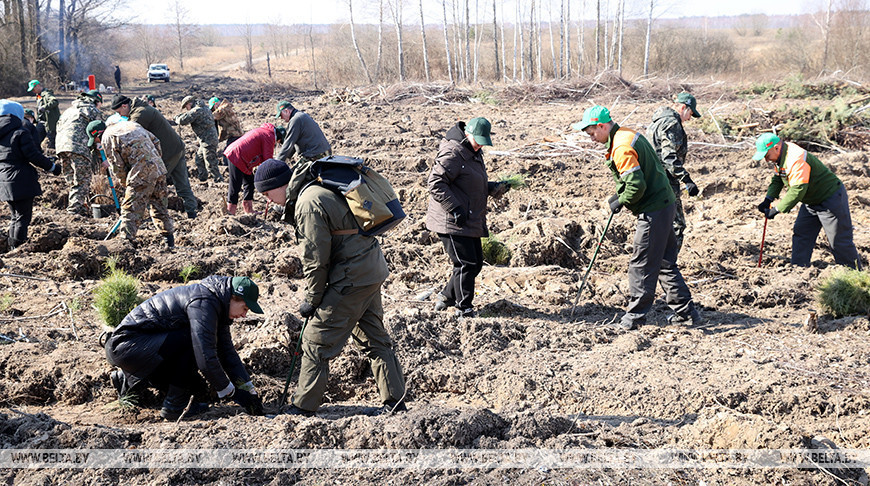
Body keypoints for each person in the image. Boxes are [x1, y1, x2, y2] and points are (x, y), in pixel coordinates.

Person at [253, 158, 406, 417]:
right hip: (369, 270)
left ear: (280, 185)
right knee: (375, 338)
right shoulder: (316, 189)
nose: (268, 200)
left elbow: (315, 259)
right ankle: (395, 402)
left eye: (267, 193)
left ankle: (303, 407)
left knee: (315, 342)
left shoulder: (308, 202)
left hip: (351, 277)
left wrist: (312, 299)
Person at [574, 105, 700, 330]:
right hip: (665, 203)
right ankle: (686, 313)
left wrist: (620, 200)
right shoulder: (627, 134)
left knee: (641, 264)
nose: (592, 138)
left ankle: (634, 318)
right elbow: (637, 179)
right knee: (664, 262)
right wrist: (619, 195)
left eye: (592, 133)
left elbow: (636, 185)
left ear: (602, 126)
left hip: (654, 210)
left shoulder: (621, 147)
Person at [104, 275, 265, 421]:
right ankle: (175, 406)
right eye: (244, 308)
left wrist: (248, 389)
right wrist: (232, 392)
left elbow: (227, 353)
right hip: (126, 346)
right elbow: (205, 355)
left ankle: (128, 381)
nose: (244, 315)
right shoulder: (204, 302)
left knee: (197, 385)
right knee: (193, 340)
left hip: (136, 349)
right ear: (232, 298)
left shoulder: (217, 307)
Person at [426, 117, 509, 318]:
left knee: (476, 263)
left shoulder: (474, 152)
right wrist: (454, 208)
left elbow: (470, 183)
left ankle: (446, 296)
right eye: (477, 139)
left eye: (483, 140)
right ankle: (464, 308)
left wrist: (494, 187)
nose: (480, 144)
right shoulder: (453, 152)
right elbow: (435, 182)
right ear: (467, 133)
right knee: (465, 264)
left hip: (468, 218)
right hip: (451, 220)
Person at [753, 133, 862, 269]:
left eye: (766, 155)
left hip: (830, 199)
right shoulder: (780, 156)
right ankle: (798, 270)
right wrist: (768, 198)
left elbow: (798, 189)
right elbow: (778, 178)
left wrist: (777, 210)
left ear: (776, 148)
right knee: (802, 233)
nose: (766, 160)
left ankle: (854, 275)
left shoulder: (795, 158)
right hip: (811, 201)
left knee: (838, 241)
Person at [88, 118, 175, 249]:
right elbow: (156, 141)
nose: (96, 144)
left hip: (140, 173)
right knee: (159, 207)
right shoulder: (131, 124)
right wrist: (154, 162)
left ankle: (124, 245)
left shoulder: (107, 137)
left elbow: (118, 167)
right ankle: (169, 242)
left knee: (130, 210)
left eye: (95, 142)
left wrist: (126, 184)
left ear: (97, 135)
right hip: (159, 169)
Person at [111, 94, 198, 218]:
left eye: (119, 112)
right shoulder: (142, 109)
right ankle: (191, 212)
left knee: (153, 185)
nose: (120, 115)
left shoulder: (140, 114)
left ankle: (157, 216)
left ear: (125, 106)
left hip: (168, 153)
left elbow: (130, 134)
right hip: (177, 148)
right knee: (182, 183)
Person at [0, 100, 61, 250]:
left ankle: (12, 247)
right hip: (20, 179)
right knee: (22, 217)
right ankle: (19, 249)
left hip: (3, 179)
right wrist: (52, 167)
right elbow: (33, 155)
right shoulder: (20, 132)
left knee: (15, 216)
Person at [647, 92, 701, 255]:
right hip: (665, 183)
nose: (690, 118)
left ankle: (656, 262)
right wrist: (687, 179)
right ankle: (667, 266)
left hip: (653, 180)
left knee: (657, 225)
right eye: (690, 113)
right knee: (676, 225)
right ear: (683, 107)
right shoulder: (672, 124)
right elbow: (669, 157)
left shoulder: (657, 122)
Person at [55, 90, 103, 216]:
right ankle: (74, 212)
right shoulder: (92, 110)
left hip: (61, 146)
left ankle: (79, 205)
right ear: (96, 101)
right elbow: (98, 131)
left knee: (72, 180)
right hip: (78, 147)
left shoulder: (69, 110)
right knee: (82, 181)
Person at [223, 123, 285, 215]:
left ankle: (248, 209)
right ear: (279, 139)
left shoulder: (265, 131)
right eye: (278, 143)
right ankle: (230, 212)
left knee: (249, 182)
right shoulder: (269, 136)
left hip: (241, 156)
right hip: (236, 156)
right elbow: (268, 159)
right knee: (235, 185)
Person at [175, 96, 223, 182]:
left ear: (189, 103)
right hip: (206, 140)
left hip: (208, 140)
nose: (186, 109)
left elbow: (183, 120)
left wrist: (177, 118)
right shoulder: (203, 107)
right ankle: (203, 178)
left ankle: (219, 180)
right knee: (199, 159)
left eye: (186, 106)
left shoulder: (197, 110)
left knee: (211, 163)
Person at [275, 100, 331, 164]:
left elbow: (288, 144)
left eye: (281, 115)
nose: (282, 118)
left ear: (286, 111)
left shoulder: (295, 120)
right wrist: (287, 158)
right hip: (324, 152)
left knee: (294, 173)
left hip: (316, 155)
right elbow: (292, 145)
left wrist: (276, 163)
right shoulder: (301, 115)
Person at [27, 79, 60, 149]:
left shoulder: (47, 94)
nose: (33, 91)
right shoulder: (38, 96)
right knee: (36, 138)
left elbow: (55, 101)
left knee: (52, 142)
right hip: (41, 122)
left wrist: (44, 107)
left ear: (38, 86)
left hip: (50, 123)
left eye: (33, 89)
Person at [209, 97, 244, 162]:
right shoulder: (226, 107)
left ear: (215, 104)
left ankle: (229, 168)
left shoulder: (222, 109)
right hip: (236, 134)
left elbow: (211, 116)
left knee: (227, 155)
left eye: (212, 108)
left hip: (234, 135)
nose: (213, 110)